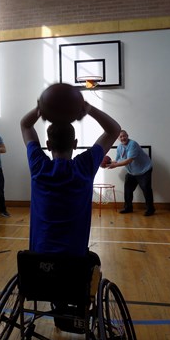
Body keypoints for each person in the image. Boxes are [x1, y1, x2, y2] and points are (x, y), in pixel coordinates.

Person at [20, 99, 121, 257]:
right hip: (74, 259)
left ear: (48, 144)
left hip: (39, 259)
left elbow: (25, 125)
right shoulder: (84, 166)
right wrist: (89, 109)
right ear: (75, 144)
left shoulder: (38, 165)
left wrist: (40, 109)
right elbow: (114, 130)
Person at [108, 130, 155, 216]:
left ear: (127, 136)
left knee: (146, 189)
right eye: (120, 137)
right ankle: (128, 208)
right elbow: (118, 160)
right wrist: (108, 163)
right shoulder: (119, 147)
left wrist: (115, 166)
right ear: (118, 138)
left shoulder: (133, 144)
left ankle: (150, 209)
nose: (123, 138)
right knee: (128, 189)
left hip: (144, 170)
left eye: (124, 136)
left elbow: (129, 160)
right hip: (132, 172)